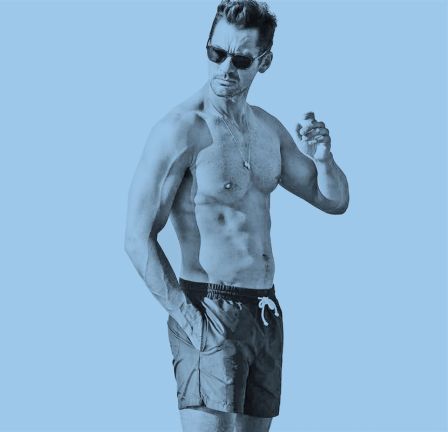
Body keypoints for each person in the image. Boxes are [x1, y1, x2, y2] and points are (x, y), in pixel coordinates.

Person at [124, 1, 350, 431]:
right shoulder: (181, 129)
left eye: (241, 59)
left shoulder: (268, 129)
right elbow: (136, 237)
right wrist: (189, 320)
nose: (226, 68)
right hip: (207, 305)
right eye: (216, 53)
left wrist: (323, 158)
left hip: (263, 310)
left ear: (264, 62)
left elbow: (333, 201)